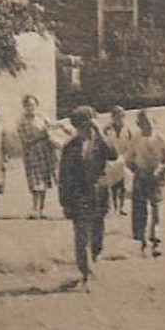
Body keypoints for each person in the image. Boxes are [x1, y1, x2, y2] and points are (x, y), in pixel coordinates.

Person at [56, 105, 111, 288]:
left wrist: (100, 132)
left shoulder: (100, 143)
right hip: (78, 197)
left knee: (97, 235)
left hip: (98, 194)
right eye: (84, 125)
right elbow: (64, 177)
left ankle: (93, 261)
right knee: (81, 237)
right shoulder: (70, 147)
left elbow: (113, 154)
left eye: (90, 124)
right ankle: (85, 273)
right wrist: (65, 202)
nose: (86, 129)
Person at [124, 110, 165, 257]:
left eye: (150, 122)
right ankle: (143, 241)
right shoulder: (136, 140)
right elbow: (129, 160)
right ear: (139, 124)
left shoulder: (160, 139)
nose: (147, 126)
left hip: (157, 179)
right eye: (144, 123)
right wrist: (137, 171)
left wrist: (161, 169)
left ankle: (156, 242)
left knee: (156, 211)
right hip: (141, 178)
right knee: (140, 211)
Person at [15, 93, 56, 218]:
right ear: (24, 107)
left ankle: (41, 209)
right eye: (27, 105)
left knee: (43, 180)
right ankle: (35, 208)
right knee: (34, 181)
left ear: (36, 105)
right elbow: (24, 139)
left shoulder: (43, 118)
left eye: (32, 105)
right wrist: (41, 136)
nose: (30, 108)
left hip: (44, 152)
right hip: (31, 152)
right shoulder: (21, 121)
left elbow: (52, 131)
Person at [101, 105, 129, 216]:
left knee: (122, 184)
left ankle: (121, 207)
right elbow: (103, 142)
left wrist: (127, 156)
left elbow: (130, 142)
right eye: (117, 116)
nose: (120, 118)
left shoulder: (127, 128)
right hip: (110, 158)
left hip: (123, 157)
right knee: (112, 184)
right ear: (113, 116)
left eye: (122, 116)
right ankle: (113, 206)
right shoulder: (107, 128)